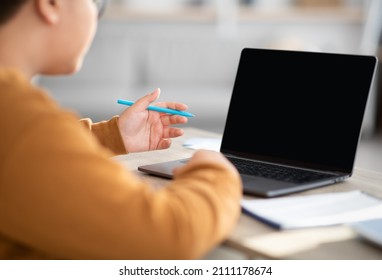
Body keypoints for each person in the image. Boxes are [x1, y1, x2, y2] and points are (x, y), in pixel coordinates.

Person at [0, 0, 242, 259]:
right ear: (51, 4)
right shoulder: (20, 117)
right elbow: (166, 236)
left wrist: (111, 135)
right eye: (98, 4)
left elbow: (29, 158)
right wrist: (216, 170)